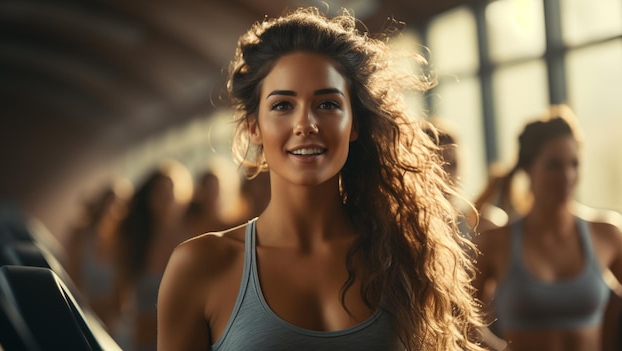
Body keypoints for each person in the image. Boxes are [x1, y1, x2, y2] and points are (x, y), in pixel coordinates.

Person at [157, 7, 485, 351]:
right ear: (255, 127)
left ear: (354, 123)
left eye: (327, 104)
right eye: (283, 106)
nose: (306, 124)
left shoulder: (401, 255)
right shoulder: (201, 265)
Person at [472, 105, 622, 351]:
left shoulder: (606, 234)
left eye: (574, 164)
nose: (568, 176)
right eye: (554, 165)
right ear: (528, 168)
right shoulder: (496, 241)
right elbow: (461, 319)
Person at [115, 159, 192, 351]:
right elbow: (118, 297)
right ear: (149, 197)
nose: (166, 196)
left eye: (171, 189)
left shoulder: (191, 239)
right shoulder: (136, 243)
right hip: (140, 343)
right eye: (160, 190)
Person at [65, 179, 132, 334]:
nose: (114, 208)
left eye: (121, 203)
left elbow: (121, 298)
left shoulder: (124, 243)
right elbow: (70, 279)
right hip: (78, 312)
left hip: (110, 322)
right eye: (111, 201)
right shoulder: (80, 234)